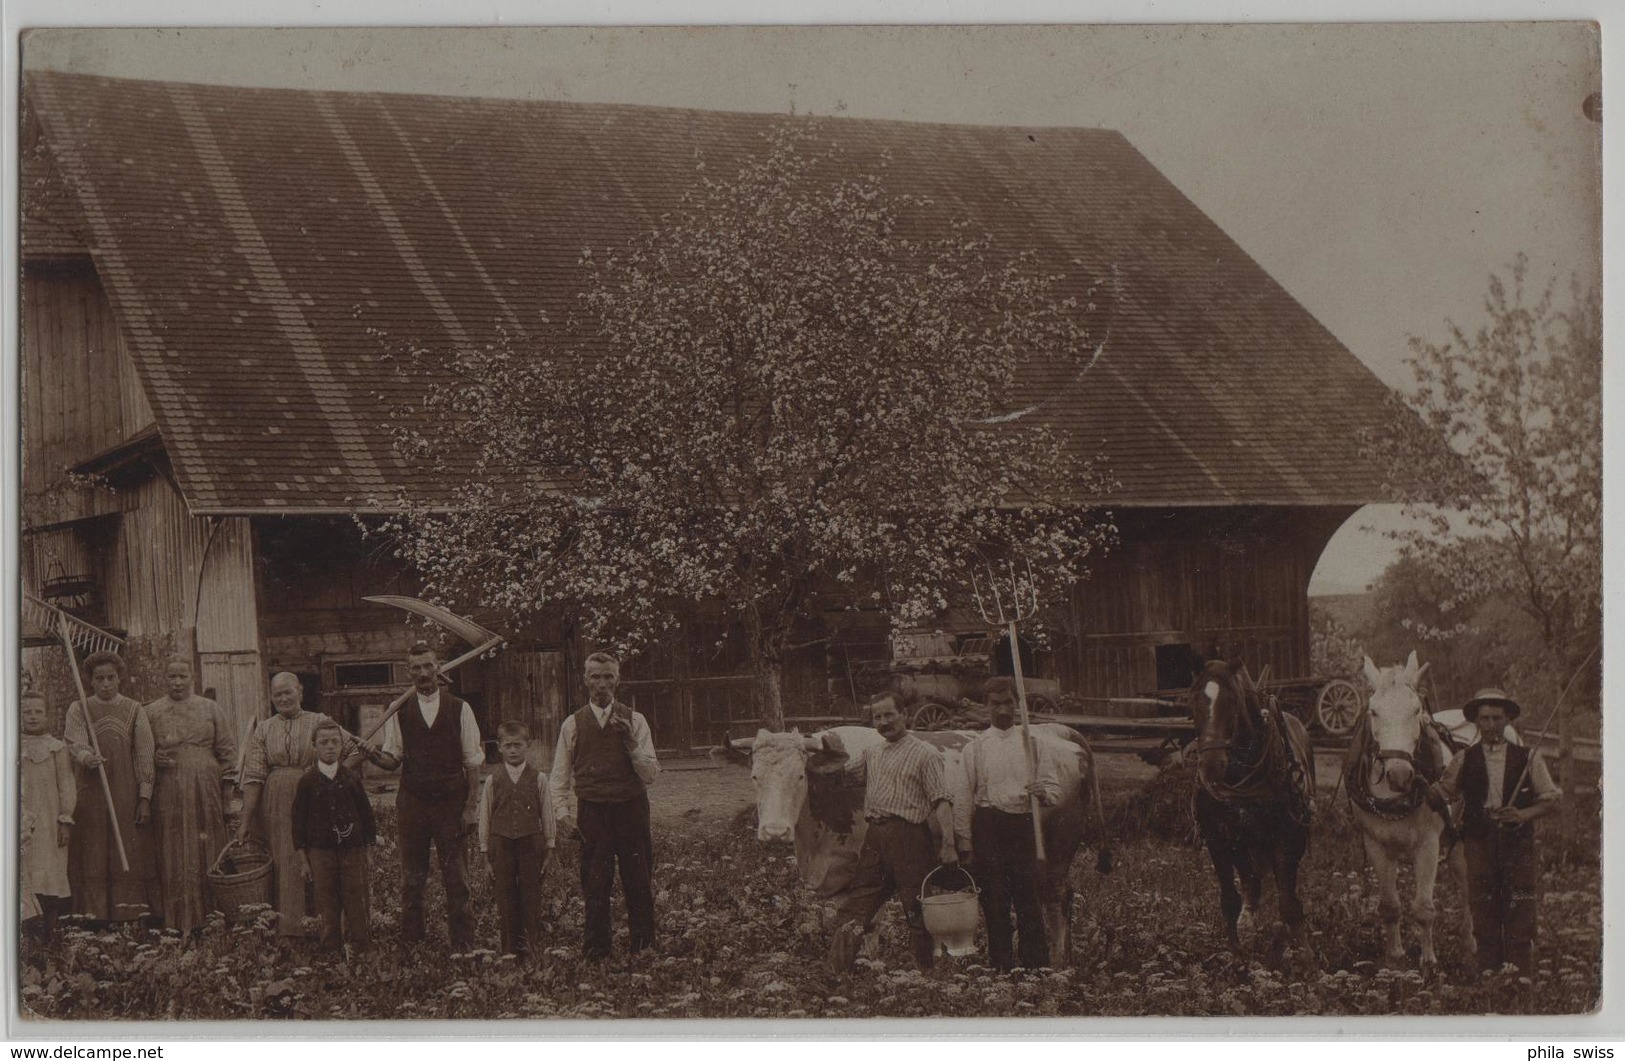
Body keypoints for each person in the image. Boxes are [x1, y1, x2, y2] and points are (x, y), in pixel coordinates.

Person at [1429, 688, 1561, 977]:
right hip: (1478, 840)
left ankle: (1519, 978)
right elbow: (1442, 792)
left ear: (1507, 720)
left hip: (1517, 842)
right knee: (1483, 905)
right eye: (1485, 718)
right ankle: (1489, 977)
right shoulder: (1464, 759)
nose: (1491, 725)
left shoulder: (1527, 758)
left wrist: (1522, 814)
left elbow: (1552, 799)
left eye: (1497, 718)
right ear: (1476, 721)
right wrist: (1419, 783)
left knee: (1520, 904)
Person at [824, 693, 958, 974]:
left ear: (904, 714)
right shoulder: (872, 753)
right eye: (877, 717)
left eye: (889, 715)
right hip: (875, 839)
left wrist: (948, 843)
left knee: (917, 910)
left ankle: (925, 976)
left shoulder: (926, 754)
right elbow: (840, 774)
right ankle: (837, 975)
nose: (884, 722)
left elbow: (941, 801)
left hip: (910, 839)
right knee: (856, 907)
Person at [362, 642, 483, 952]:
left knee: (457, 876)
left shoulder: (460, 708)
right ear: (408, 672)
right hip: (413, 801)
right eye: (416, 668)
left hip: (451, 802)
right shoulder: (398, 710)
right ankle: (412, 942)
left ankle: (463, 944)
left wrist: (471, 807)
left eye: (428, 666)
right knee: (411, 878)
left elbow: (472, 763)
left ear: (438, 668)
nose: (423, 673)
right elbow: (393, 760)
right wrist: (373, 755)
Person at [548, 652, 660, 961]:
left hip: (631, 810)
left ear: (618, 680)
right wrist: (562, 814)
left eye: (608, 676)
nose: (601, 684)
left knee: (638, 879)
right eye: (595, 677)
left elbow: (651, 775)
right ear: (585, 681)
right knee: (595, 883)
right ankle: (597, 953)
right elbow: (559, 776)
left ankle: (644, 949)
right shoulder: (572, 724)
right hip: (593, 812)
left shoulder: (635, 720)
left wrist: (632, 746)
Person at [956, 677, 1061, 970]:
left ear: (1018, 704)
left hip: (1024, 827)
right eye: (995, 704)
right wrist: (964, 842)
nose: (1002, 709)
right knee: (995, 902)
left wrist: (1044, 792)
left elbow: (1054, 788)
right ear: (985, 706)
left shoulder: (1033, 745)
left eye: (1008, 702)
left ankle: (1035, 968)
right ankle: (1001, 967)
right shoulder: (975, 748)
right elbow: (964, 798)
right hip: (989, 827)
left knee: (1029, 899)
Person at [239, 672, 355, 938]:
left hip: (316, 797)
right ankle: (289, 929)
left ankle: (323, 926)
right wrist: (246, 821)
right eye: (277, 694)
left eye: (288, 692)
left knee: (317, 857)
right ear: (271, 697)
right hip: (276, 802)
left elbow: (354, 750)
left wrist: (334, 775)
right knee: (285, 860)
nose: (283, 698)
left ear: (300, 692)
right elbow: (255, 776)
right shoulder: (264, 729)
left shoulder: (320, 721)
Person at [64, 650, 159, 924]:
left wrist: (144, 797)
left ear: (120, 679)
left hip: (124, 791)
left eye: (111, 678)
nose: (106, 684)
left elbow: (144, 753)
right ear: (91, 681)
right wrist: (86, 757)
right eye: (99, 678)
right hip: (91, 789)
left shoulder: (134, 709)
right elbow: (75, 742)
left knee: (126, 848)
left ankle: (127, 915)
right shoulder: (79, 707)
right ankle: (94, 916)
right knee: (93, 848)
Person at [146, 656, 238, 934]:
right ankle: (176, 922)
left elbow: (228, 754)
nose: (177, 682)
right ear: (164, 678)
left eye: (182, 676)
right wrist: (154, 757)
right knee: (172, 848)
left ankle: (212, 919)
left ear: (192, 678)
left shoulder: (210, 708)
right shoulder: (152, 711)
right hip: (169, 787)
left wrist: (226, 797)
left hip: (205, 787)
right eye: (171, 676)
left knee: (208, 846)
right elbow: (140, 752)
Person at [291, 718, 376, 954]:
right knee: (326, 901)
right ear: (314, 746)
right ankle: (331, 949)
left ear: (342, 746)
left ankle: (361, 947)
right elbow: (297, 823)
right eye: (324, 742)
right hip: (320, 853)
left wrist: (368, 850)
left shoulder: (351, 778)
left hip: (353, 850)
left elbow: (366, 816)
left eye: (335, 742)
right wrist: (304, 860)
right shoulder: (307, 781)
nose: (330, 747)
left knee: (356, 898)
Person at [478, 721, 556, 961]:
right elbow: (485, 815)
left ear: (528, 746)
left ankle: (530, 950)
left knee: (531, 896)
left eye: (518, 745)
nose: (513, 750)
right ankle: (509, 952)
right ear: (499, 748)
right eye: (507, 746)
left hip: (530, 844)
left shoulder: (539, 778)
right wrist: (485, 853)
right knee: (505, 897)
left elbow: (547, 813)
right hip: (501, 844)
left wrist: (549, 846)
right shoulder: (493, 779)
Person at [21, 691, 76, 943]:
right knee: (24, 875)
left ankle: (48, 937)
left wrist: (65, 818)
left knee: (50, 875)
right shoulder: (10, 744)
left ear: (47, 715)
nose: (32, 717)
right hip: (20, 823)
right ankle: (25, 937)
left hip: (48, 822)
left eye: (38, 712)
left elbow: (66, 785)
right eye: (26, 712)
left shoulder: (57, 748)